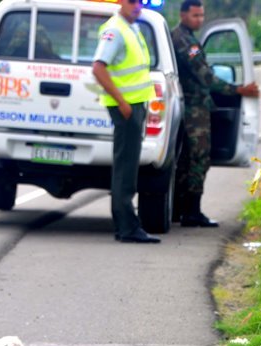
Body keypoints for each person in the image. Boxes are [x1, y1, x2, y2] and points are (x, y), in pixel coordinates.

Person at [171, 0, 260, 227]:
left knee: (187, 161)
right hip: (193, 110)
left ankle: (180, 209)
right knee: (198, 159)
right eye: (195, 16)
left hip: (194, 107)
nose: (199, 20)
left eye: (201, 16)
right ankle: (191, 212)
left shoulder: (187, 38)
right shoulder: (184, 41)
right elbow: (206, 77)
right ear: (183, 15)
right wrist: (238, 89)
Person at [92, 0, 160, 244]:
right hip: (126, 107)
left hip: (133, 105)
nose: (137, 6)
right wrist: (121, 102)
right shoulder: (116, 30)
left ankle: (126, 226)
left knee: (129, 166)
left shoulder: (132, 28)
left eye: (140, 1)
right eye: (132, 1)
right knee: (125, 167)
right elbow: (98, 68)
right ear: (121, 2)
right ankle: (127, 226)